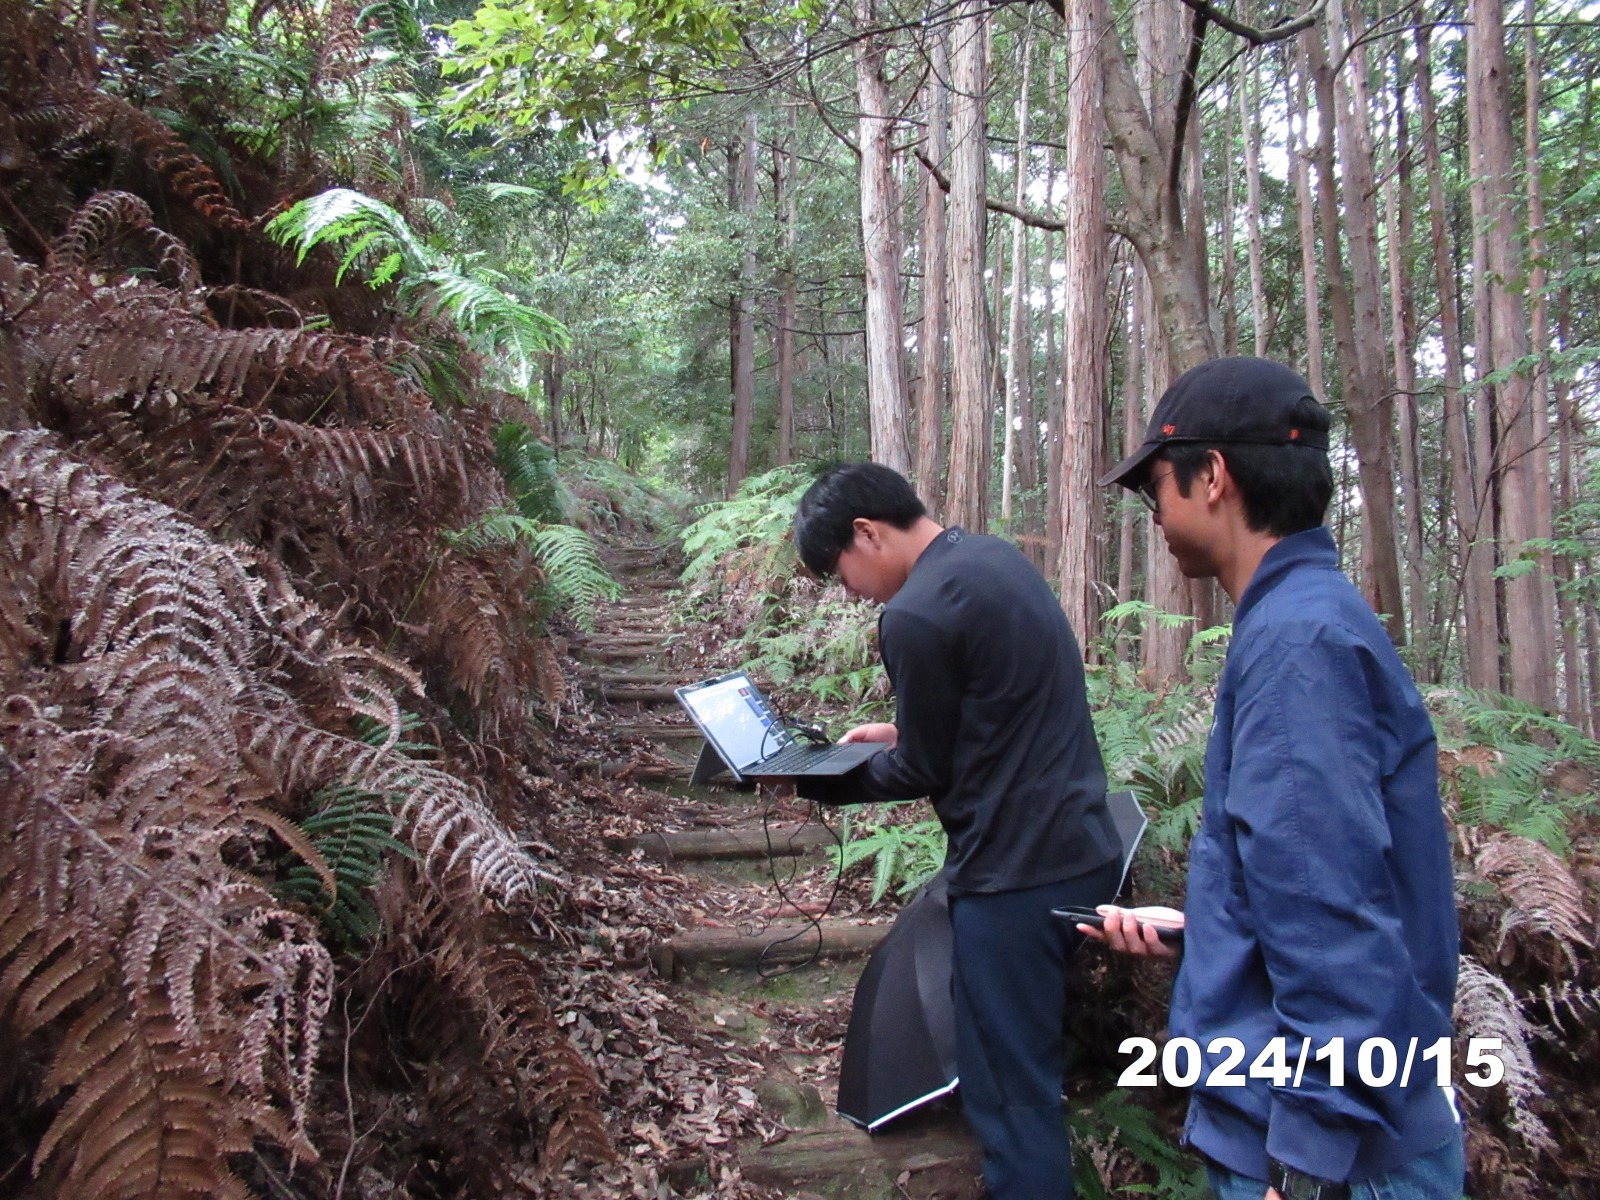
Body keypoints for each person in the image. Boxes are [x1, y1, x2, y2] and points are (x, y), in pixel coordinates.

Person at [1086, 357, 1463, 1200]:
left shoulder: (1298, 645)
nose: (1156, 517)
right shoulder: (1310, 620)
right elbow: (1327, 871)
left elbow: (1334, 922)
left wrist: (1306, 1159)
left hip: (1338, 1155)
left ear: (1212, 475)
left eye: (1156, 492)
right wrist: (1205, 928)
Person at [790, 462, 1122, 1200]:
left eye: (840, 573)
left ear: (866, 533)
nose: (848, 592)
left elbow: (919, 772)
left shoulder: (912, 615)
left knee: (1011, 1092)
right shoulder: (991, 558)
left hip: (1015, 873)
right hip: (1079, 843)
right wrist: (896, 731)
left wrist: (811, 779)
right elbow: (997, 705)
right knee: (1018, 1070)